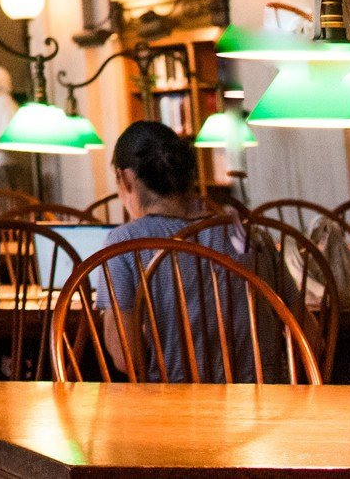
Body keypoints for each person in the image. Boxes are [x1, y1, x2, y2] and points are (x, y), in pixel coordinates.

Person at [94, 120, 290, 381]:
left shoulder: (125, 243)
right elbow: (309, 336)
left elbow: (125, 357)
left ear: (125, 178)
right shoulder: (247, 233)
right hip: (265, 407)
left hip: (178, 411)